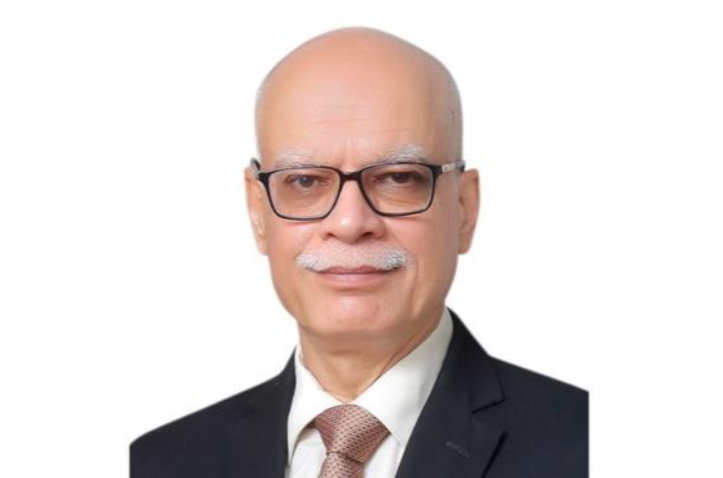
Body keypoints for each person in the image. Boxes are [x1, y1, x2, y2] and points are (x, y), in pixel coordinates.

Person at [130, 26, 588, 478]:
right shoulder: (154, 464)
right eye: (304, 181)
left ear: (464, 209)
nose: (349, 223)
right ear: (258, 212)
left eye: (398, 178)